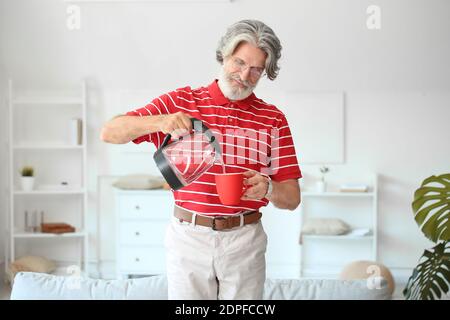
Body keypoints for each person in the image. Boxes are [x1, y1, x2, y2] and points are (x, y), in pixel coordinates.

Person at [101, 19, 302, 300]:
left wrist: (268, 187)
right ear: (224, 55)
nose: (245, 75)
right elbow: (110, 131)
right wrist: (160, 122)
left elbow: (292, 198)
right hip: (188, 239)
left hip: (245, 241)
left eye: (256, 69)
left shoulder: (273, 120)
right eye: (239, 62)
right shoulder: (180, 101)